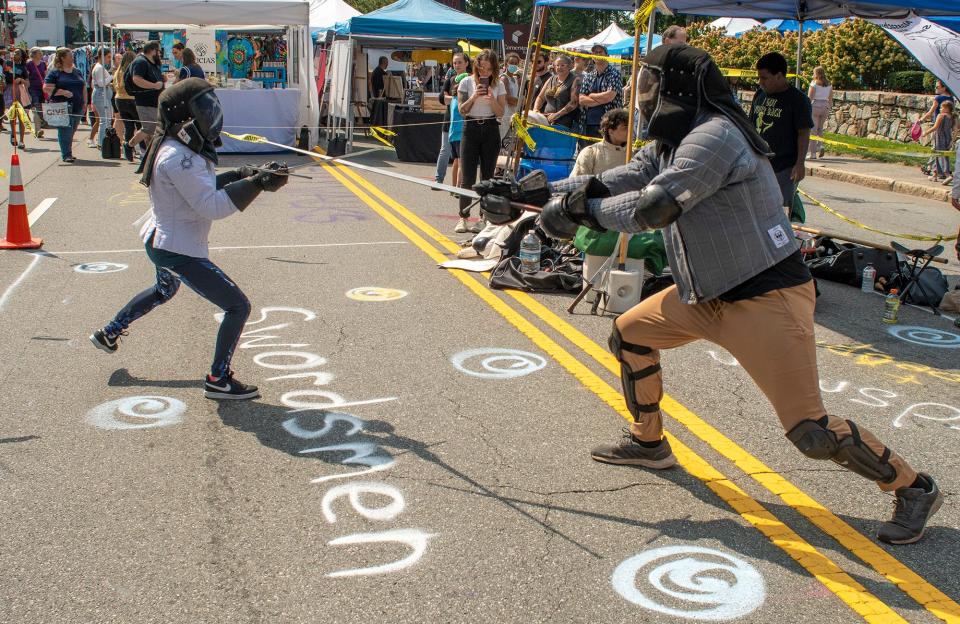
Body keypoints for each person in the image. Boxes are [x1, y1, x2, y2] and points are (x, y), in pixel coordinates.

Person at [477, 43, 942, 546]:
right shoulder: (677, 138)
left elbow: (654, 207)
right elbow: (621, 177)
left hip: (765, 298)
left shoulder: (716, 137)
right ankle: (649, 441)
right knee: (629, 334)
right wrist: (539, 193)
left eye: (651, 84)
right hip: (706, 295)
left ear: (679, 87)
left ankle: (913, 487)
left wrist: (576, 215)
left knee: (811, 432)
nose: (643, 95)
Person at [90, 78, 290, 400]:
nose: (212, 113)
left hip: (161, 239)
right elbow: (210, 205)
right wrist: (258, 185)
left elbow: (203, 186)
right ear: (185, 115)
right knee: (237, 306)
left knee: (163, 290)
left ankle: (109, 332)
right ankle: (218, 379)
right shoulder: (178, 157)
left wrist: (245, 175)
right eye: (205, 107)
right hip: (176, 248)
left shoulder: (179, 148)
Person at [749, 51, 812, 210]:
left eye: (764, 78)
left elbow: (803, 133)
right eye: (759, 77)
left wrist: (800, 164)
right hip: (758, 163)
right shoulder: (760, 95)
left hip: (784, 167)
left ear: (779, 76)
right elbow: (750, 125)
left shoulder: (798, 100)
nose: (760, 82)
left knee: (779, 210)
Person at [457, 49, 506, 234]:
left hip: (491, 128)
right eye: (482, 68)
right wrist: (474, 96)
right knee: (467, 177)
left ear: (494, 69)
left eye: (489, 69)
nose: (485, 73)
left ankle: (483, 217)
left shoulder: (499, 84)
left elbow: (500, 112)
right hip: (470, 127)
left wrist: (492, 99)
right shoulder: (466, 82)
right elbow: (462, 110)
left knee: (487, 177)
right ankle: (463, 217)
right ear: (476, 66)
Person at [43, 47, 86, 163]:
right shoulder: (55, 72)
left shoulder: (77, 71)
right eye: (70, 56)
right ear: (62, 58)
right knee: (65, 130)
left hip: (78, 105)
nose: (73, 58)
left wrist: (85, 102)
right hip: (62, 106)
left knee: (72, 130)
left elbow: (83, 86)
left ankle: (68, 151)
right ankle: (66, 154)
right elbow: (46, 88)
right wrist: (62, 92)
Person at [578, 45, 623, 147]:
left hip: (610, 124)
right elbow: (581, 99)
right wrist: (601, 99)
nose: (597, 54)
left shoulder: (614, 74)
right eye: (595, 52)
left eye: (600, 52)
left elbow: (610, 96)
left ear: (607, 55)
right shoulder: (589, 76)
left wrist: (592, 95)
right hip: (588, 123)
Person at [435, 52, 468, 186]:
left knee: (460, 158)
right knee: (445, 150)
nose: (457, 65)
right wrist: (454, 98)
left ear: (467, 63)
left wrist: (453, 98)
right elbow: (442, 98)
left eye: (460, 62)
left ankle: (459, 186)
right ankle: (439, 179)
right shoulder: (450, 79)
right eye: (455, 63)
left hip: (464, 123)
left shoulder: (470, 79)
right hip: (449, 120)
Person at [128, 41, 165, 149]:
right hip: (145, 102)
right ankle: (129, 145)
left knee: (152, 129)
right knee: (149, 128)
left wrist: (161, 79)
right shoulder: (141, 62)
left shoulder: (150, 62)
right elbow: (136, 79)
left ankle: (150, 152)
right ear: (153, 50)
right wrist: (154, 85)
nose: (159, 54)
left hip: (153, 101)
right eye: (158, 51)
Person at [570, 108, 628, 176]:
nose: (630, 131)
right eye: (625, 128)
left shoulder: (633, 154)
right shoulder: (591, 153)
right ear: (611, 131)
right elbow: (578, 182)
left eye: (630, 127)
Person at [534, 54, 580, 129]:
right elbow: (540, 97)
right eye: (557, 65)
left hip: (565, 123)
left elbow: (573, 103)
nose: (559, 67)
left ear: (569, 66)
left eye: (562, 65)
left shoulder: (575, 80)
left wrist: (556, 115)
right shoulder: (551, 79)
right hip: (546, 120)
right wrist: (536, 109)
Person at [113, 51, 139, 162]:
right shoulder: (132, 71)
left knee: (129, 127)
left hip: (119, 99)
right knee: (140, 126)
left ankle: (128, 150)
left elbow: (114, 86)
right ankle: (141, 149)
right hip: (132, 99)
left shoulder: (118, 71)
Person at [925, 99, 954, 183]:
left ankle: (947, 174)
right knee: (938, 155)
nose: (940, 109)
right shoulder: (952, 117)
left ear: (947, 108)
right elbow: (954, 129)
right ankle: (934, 175)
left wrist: (926, 132)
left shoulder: (940, 116)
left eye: (942, 107)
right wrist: (952, 140)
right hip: (948, 138)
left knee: (941, 156)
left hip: (939, 137)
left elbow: (935, 127)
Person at [90, 48, 114, 149]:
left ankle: (102, 142)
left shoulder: (99, 67)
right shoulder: (99, 67)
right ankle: (101, 143)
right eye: (108, 57)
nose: (109, 59)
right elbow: (101, 83)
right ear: (102, 56)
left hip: (102, 95)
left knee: (105, 120)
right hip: (101, 95)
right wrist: (111, 76)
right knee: (105, 120)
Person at [807, 66, 832, 159]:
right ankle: (821, 145)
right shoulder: (829, 84)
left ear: (816, 74)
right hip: (825, 106)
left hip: (815, 106)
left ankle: (813, 154)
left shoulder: (814, 84)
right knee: (820, 128)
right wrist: (828, 107)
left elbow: (809, 98)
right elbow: (830, 98)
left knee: (813, 130)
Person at [499, 52, 522, 140]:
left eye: (516, 63)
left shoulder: (515, 78)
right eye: (512, 63)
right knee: (502, 136)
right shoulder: (504, 78)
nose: (514, 65)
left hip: (513, 112)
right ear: (506, 64)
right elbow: (508, 98)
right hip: (505, 113)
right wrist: (522, 101)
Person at [9, 48, 28, 150]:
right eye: (14, 52)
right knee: (12, 116)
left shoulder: (23, 67)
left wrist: (21, 79)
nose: (15, 54)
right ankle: (13, 134)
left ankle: (21, 140)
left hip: (20, 92)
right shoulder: (7, 63)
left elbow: (27, 82)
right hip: (9, 92)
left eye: (18, 53)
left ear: (21, 56)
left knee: (21, 117)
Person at [26, 47, 46, 138]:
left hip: (41, 88)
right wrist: (26, 90)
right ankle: (38, 130)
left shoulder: (42, 64)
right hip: (32, 88)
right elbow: (26, 76)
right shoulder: (29, 64)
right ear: (33, 54)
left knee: (41, 108)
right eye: (39, 52)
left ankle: (40, 126)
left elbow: (45, 75)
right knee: (35, 108)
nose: (41, 54)